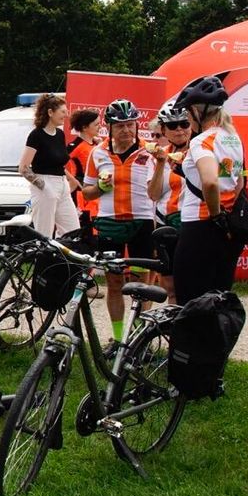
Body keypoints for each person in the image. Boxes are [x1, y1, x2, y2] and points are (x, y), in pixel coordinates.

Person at [81, 99, 156, 343]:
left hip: (142, 222)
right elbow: (87, 192)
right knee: (114, 283)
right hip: (110, 222)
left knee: (140, 285)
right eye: (120, 125)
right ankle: (116, 338)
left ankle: (137, 340)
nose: (126, 130)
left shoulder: (150, 151)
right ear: (109, 127)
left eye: (130, 124)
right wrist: (100, 188)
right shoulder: (98, 152)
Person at [171, 76, 246, 306]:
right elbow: (239, 183)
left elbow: (210, 181)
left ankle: (192, 333)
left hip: (200, 224)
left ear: (197, 111)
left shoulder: (201, 141)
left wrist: (215, 215)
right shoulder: (233, 138)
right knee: (218, 297)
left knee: (189, 298)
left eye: (187, 112)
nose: (186, 118)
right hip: (227, 226)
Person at [148, 103, 193, 303]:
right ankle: (175, 321)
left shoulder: (200, 151)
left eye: (184, 124)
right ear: (164, 130)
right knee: (170, 287)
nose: (179, 129)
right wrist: (160, 164)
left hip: (192, 222)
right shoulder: (159, 155)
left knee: (192, 282)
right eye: (173, 126)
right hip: (165, 222)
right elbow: (153, 194)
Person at [18, 93, 80, 238]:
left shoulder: (60, 134)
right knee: (44, 233)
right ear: (50, 112)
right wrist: (44, 187)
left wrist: (70, 179)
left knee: (73, 231)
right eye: (62, 112)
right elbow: (23, 168)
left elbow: (58, 163)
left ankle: (63, 253)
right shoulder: (36, 135)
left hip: (62, 185)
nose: (66, 115)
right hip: (44, 184)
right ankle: (42, 253)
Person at [66, 108, 101, 232]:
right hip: (81, 193)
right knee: (84, 229)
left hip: (96, 191)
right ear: (85, 127)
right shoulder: (76, 146)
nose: (99, 127)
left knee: (96, 228)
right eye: (96, 124)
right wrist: (72, 180)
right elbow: (57, 164)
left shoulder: (97, 145)